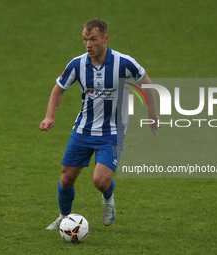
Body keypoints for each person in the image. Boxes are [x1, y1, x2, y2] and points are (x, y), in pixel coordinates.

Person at [40, 19, 159, 230]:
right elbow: (58, 89)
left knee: (100, 181)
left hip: (112, 132)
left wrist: (152, 113)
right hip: (82, 130)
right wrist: (50, 116)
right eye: (85, 39)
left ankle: (108, 198)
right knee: (66, 179)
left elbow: (147, 84)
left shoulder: (124, 63)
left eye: (93, 39)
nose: (88, 44)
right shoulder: (77, 64)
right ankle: (64, 217)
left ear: (105, 38)